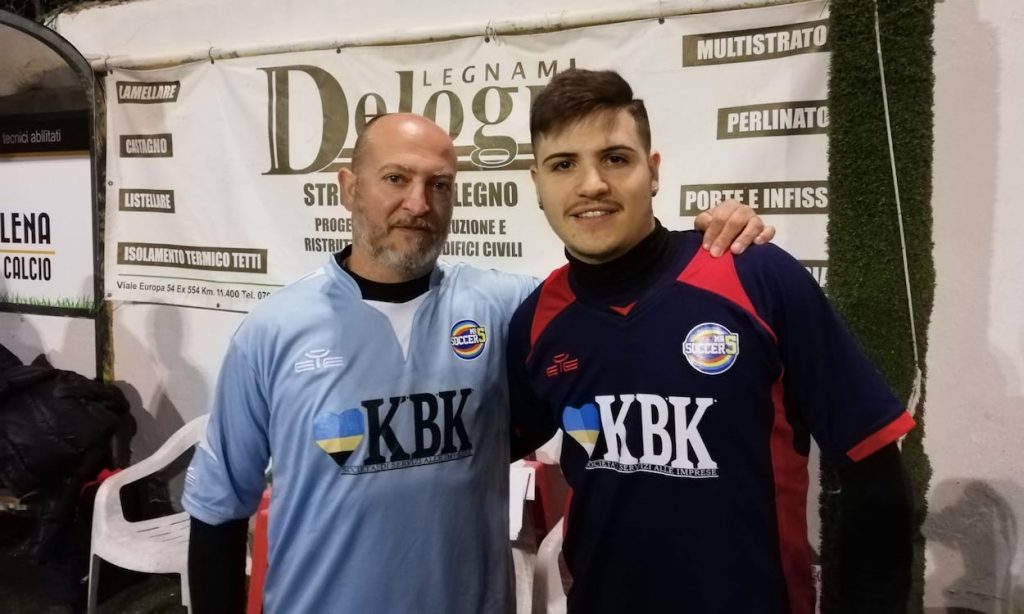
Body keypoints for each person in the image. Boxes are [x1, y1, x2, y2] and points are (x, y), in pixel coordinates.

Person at [182, 112, 772, 613]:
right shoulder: (272, 331)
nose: (418, 203)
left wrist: (709, 241)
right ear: (349, 187)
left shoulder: (506, 306)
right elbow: (218, 511)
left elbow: (622, 288)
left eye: (439, 185)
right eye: (396, 178)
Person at [507, 69, 914, 614]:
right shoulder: (537, 320)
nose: (592, 184)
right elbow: (487, 445)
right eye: (564, 165)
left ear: (653, 172)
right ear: (537, 184)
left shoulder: (756, 276)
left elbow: (873, 467)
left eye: (615, 158)